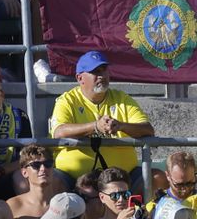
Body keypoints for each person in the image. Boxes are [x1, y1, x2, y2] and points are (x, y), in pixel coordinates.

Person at [49, 51, 154, 180]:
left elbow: (148, 130)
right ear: (79, 78)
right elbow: (59, 132)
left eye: (104, 70)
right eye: (95, 71)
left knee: (156, 177)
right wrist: (95, 126)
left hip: (122, 179)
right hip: (76, 179)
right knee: (53, 181)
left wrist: (121, 126)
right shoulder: (67, 100)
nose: (101, 75)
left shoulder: (122, 98)